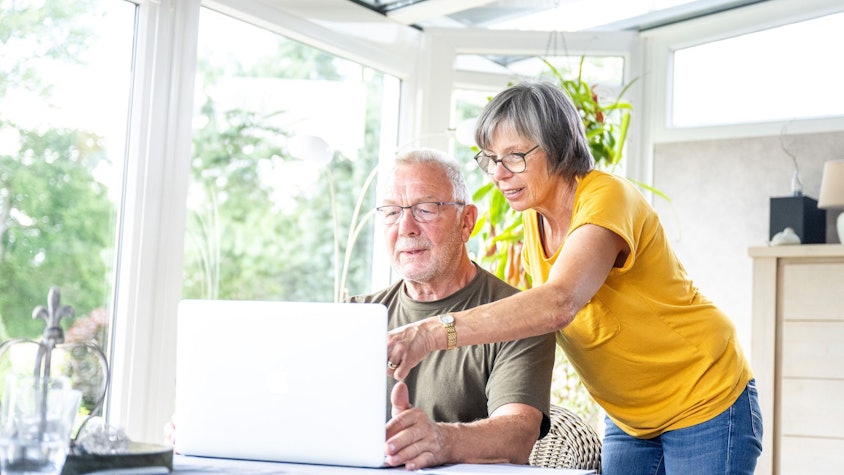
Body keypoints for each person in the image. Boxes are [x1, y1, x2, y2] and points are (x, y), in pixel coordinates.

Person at [386, 81, 763, 475]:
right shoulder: (535, 217)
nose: (498, 173)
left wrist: (432, 332)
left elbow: (560, 301)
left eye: (514, 156)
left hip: (704, 396)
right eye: (491, 158)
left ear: (559, 146)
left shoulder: (606, 197)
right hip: (631, 417)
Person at [349, 148, 555, 470]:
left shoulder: (520, 316)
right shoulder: (355, 317)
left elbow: (518, 436)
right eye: (391, 212)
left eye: (426, 209)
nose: (406, 227)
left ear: (466, 222)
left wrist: (441, 440)